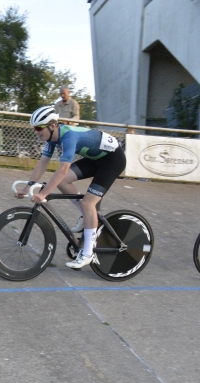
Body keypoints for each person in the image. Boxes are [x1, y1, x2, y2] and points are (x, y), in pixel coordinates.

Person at [17, 105, 126, 269]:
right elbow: (42, 163)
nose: (36, 132)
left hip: (113, 160)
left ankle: (87, 253)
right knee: (63, 182)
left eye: (39, 128)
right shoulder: (52, 138)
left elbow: (62, 170)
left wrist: (44, 194)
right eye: (34, 128)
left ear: (52, 125)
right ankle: (86, 215)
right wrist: (28, 187)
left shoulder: (68, 137)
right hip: (96, 158)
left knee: (88, 203)